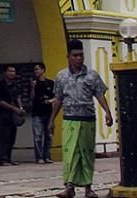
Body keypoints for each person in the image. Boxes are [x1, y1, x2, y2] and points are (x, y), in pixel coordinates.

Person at [49, 39, 113, 198]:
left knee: (86, 154)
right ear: (68, 57)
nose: (79, 58)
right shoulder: (61, 76)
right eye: (75, 55)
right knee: (70, 154)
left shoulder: (92, 75)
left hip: (87, 120)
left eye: (81, 55)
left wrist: (107, 112)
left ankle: (88, 188)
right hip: (70, 119)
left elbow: (99, 95)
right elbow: (58, 99)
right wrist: (51, 120)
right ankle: (69, 187)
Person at [0, 65, 24, 166]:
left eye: (14, 71)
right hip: (4, 115)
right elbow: (0, 101)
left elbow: (18, 97)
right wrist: (13, 108)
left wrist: (20, 108)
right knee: (4, 137)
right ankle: (2, 159)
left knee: (12, 137)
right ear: (5, 73)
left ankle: (8, 158)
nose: (12, 73)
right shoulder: (1, 85)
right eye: (10, 71)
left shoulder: (15, 85)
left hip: (14, 115)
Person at [30, 63, 55, 164]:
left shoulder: (50, 83)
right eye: (35, 70)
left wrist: (50, 101)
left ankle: (47, 156)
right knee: (38, 136)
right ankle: (39, 157)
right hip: (37, 112)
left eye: (37, 69)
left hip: (48, 112)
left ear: (43, 70)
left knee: (48, 136)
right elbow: (31, 98)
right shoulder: (33, 83)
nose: (36, 71)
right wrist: (32, 87)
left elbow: (56, 97)